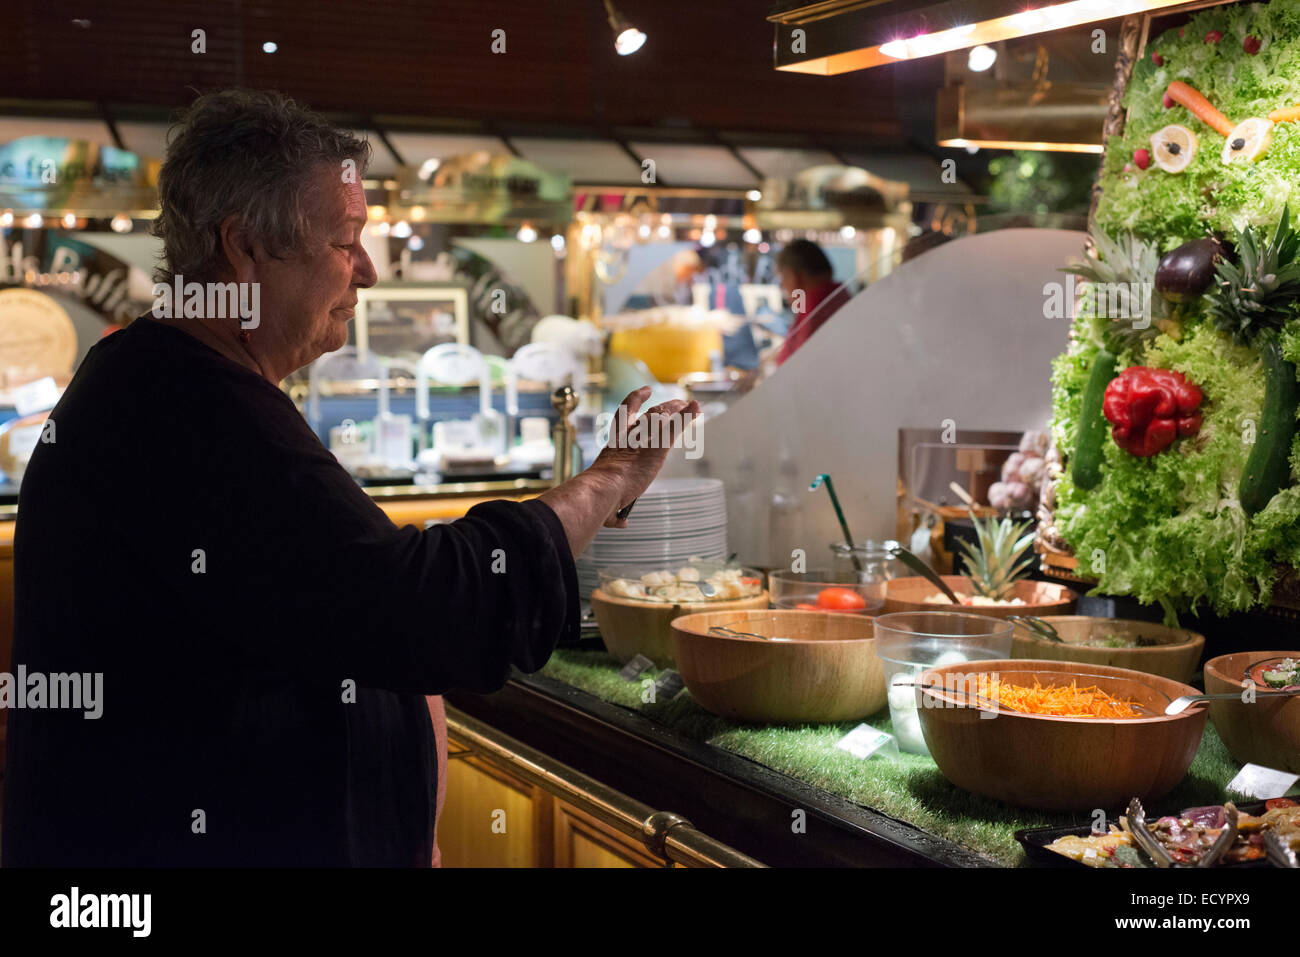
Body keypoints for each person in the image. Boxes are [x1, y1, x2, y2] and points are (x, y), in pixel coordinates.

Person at [0, 90, 696, 867]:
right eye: (346, 240)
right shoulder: (183, 403)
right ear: (245, 248)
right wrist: (609, 478)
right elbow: (422, 604)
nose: (367, 271)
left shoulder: (180, 380)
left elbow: (341, 600)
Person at [774, 238, 850, 366]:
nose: (784, 288)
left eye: (783, 280)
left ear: (793, 277)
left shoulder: (813, 308)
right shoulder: (840, 296)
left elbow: (797, 368)